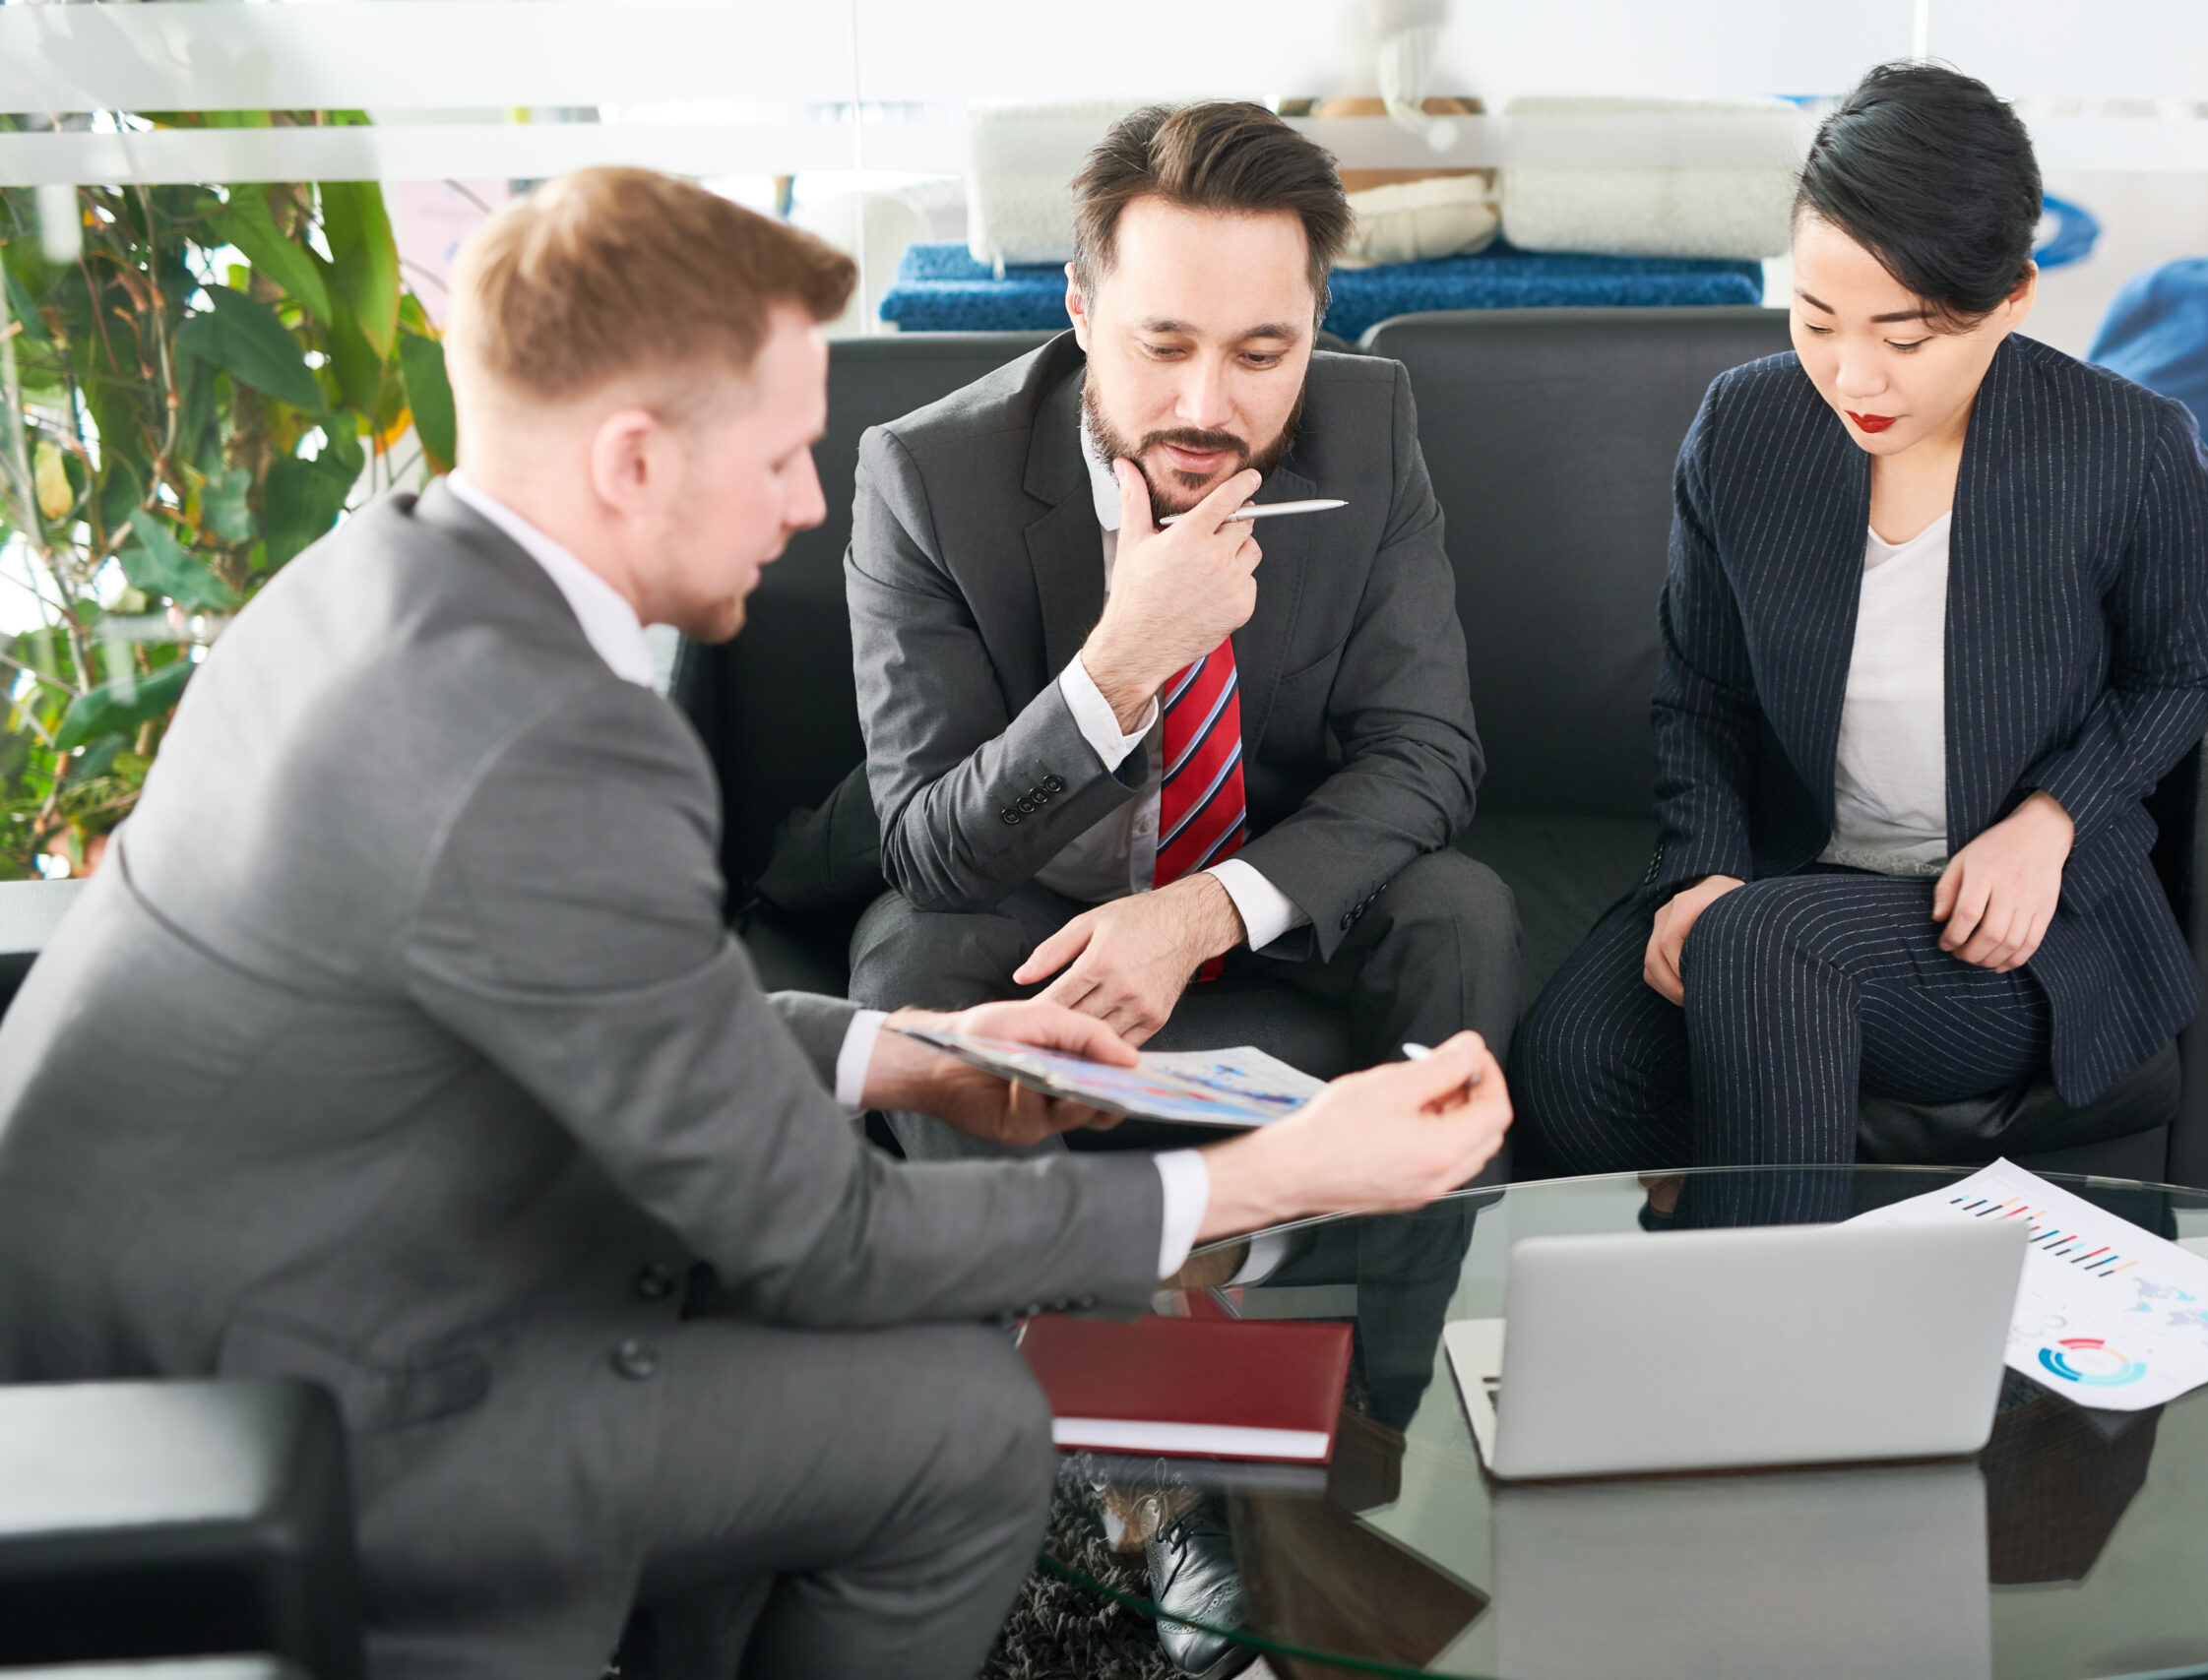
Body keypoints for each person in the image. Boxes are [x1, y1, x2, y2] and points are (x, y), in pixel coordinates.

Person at [0, 167, 1512, 1680]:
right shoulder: (557, 742)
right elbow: (828, 1234)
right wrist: (1272, 1173)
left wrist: (905, 1052)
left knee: (881, 1360)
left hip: (255, 1285)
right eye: (783, 454)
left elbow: (606, 1013)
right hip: (318, 1396)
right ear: (634, 458)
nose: (803, 504)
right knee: (965, 1424)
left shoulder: (377, 582)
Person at [1514, 63, 2208, 1178]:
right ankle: (1809, 1245)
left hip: (2001, 926)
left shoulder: (2127, 448)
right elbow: (1702, 696)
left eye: (1905, 340)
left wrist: (2050, 822)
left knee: (1763, 952)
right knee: (1572, 1060)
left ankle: (1775, 1287)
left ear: (2012, 298)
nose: (1855, 377)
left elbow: (2178, 674)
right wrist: (1700, 870)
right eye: (1817, 321)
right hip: (1788, 875)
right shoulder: (1746, 426)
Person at [845, 100, 1519, 1161]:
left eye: (1262, 353)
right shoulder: (927, 478)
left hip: (1268, 891)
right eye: (1162, 345)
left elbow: (1426, 751)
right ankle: (1017, 1272)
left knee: (1460, 911)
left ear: (1314, 323)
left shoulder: (1371, 429)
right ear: (1080, 308)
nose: (1206, 408)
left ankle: (1406, 1269)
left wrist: (1200, 914)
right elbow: (932, 853)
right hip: (1029, 901)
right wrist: (1123, 661)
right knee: (910, 968)